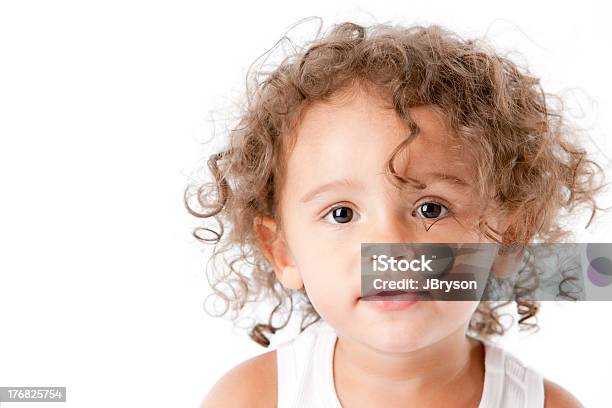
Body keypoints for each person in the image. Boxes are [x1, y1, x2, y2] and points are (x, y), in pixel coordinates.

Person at [188, 19, 605, 407]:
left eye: (430, 208)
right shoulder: (253, 399)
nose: (391, 246)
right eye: (341, 214)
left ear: (507, 238)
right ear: (283, 252)